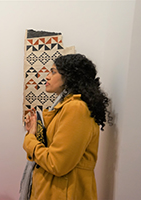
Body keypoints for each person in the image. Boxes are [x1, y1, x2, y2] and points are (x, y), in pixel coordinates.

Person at [22, 54, 111, 200]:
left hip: (64, 193)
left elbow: (56, 164)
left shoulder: (76, 108)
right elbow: (51, 147)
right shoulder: (64, 107)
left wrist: (30, 140)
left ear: (70, 77)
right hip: (55, 191)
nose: (47, 77)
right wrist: (35, 128)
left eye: (53, 72)